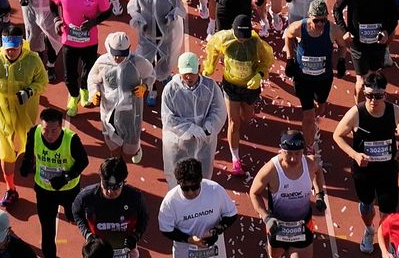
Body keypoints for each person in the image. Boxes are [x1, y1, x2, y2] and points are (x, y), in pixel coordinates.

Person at [332, 73, 399, 255]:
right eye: (369, 95)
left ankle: (384, 237)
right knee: (366, 205)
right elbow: (337, 135)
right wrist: (355, 154)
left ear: (385, 95)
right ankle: (369, 230)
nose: (373, 100)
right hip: (364, 171)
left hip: (388, 169)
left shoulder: (394, 111)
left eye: (378, 96)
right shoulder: (356, 113)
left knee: (388, 210)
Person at [19, 107, 89, 258]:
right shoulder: (34, 133)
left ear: (61, 126)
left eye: (54, 130)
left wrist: (66, 177)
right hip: (44, 191)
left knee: (74, 217)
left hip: (69, 191)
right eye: (45, 130)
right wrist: (26, 164)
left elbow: (83, 161)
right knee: (47, 232)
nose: (49, 135)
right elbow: (29, 153)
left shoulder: (71, 140)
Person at [0, 24, 48, 208]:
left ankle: (32, 160)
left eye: (14, 50)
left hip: (25, 116)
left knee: (30, 146)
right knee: (6, 156)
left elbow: (43, 82)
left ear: (21, 45)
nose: (10, 53)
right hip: (3, 118)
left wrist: (29, 91)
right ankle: (11, 189)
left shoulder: (33, 61)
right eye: (7, 50)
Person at [249, 130, 325, 258]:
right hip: (278, 226)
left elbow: (318, 172)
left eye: (298, 153)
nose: (293, 158)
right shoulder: (271, 170)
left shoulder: (310, 163)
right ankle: (274, 249)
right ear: (281, 150)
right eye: (288, 153)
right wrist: (266, 218)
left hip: (303, 225)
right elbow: (254, 193)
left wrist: (319, 194)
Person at [203, 14, 274, 176]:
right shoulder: (224, 39)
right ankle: (236, 159)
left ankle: (247, 111)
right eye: (239, 37)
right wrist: (209, 67)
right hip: (231, 85)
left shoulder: (255, 42)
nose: (242, 40)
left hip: (250, 87)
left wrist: (259, 76)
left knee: (247, 117)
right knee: (234, 122)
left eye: (245, 37)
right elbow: (213, 48)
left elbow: (266, 61)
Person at [158, 157, 238, 258]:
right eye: (185, 188)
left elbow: (231, 215)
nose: (190, 192)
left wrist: (216, 231)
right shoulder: (170, 201)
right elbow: (166, 230)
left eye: (194, 187)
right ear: (179, 183)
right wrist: (189, 239)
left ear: (201, 180)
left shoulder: (214, 190)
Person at [72, 157, 149, 258]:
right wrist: (87, 234)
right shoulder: (87, 196)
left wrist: (136, 236)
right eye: (106, 185)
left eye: (115, 187)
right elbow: (76, 212)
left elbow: (144, 218)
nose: (110, 191)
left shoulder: (135, 198)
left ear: (123, 182)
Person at [50, 0, 112, 116]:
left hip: (89, 41)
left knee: (88, 71)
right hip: (69, 40)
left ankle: (84, 91)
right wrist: (57, 19)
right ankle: (74, 96)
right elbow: (52, 2)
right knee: (69, 75)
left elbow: (107, 11)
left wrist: (94, 22)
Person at [284, 0, 347, 154]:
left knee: (321, 107)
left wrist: (341, 61)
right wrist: (290, 58)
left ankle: (314, 123)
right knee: (308, 115)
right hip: (302, 78)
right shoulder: (299, 27)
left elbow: (343, 45)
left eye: (323, 20)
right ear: (309, 17)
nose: (320, 24)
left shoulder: (333, 30)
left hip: (323, 78)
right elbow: (288, 35)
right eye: (316, 20)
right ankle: (310, 147)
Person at [333, 0, 399, 102]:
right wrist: (344, 30)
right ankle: (358, 109)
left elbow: (395, 15)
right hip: (358, 43)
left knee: (374, 76)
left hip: (377, 44)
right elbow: (337, 9)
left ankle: (372, 102)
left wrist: (387, 31)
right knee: (361, 80)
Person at [87, 31, 155, 164]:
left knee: (129, 152)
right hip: (109, 112)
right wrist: (94, 92)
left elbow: (150, 74)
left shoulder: (137, 62)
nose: (118, 58)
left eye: (122, 55)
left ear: (129, 49)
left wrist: (145, 87)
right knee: (114, 149)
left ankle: (136, 149)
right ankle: (118, 169)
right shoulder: (103, 62)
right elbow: (92, 79)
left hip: (131, 113)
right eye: (115, 54)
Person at [160, 53, 226, 189]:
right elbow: (168, 118)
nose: (189, 77)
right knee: (177, 177)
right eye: (185, 74)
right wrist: (189, 129)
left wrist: (209, 126)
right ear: (178, 71)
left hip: (204, 141)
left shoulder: (210, 86)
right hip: (178, 143)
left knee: (203, 176)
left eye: (192, 73)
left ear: (199, 69)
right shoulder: (170, 90)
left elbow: (218, 110)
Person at [127, 0, 185, 104]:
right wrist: (138, 19)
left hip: (165, 36)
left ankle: (164, 78)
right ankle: (151, 89)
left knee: (164, 59)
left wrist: (173, 14)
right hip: (147, 36)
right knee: (146, 64)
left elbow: (180, 10)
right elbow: (132, 9)